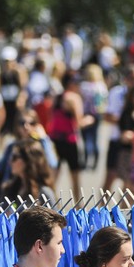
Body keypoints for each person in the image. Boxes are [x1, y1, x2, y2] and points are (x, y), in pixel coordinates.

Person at [48, 71, 85, 199]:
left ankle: (51, 203)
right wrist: (91, 120)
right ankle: (79, 206)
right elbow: (78, 123)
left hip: (56, 139)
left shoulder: (57, 97)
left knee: (54, 176)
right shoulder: (74, 98)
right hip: (69, 140)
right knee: (75, 176)